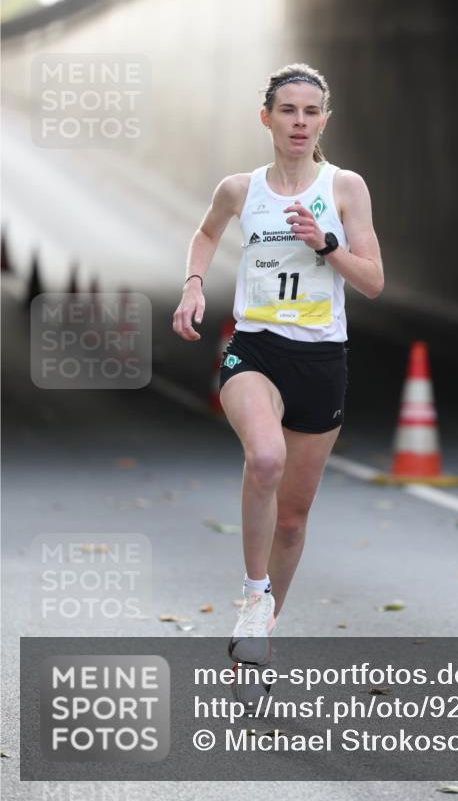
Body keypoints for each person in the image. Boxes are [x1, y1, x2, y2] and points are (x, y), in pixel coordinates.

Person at [172, 63, 384, 663]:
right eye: (287, 110)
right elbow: (207, 234)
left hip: (321, 359)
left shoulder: (346, 189)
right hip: (256, 348)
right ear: (266, 117)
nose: (299, 121)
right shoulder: (241, 189)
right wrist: (193, 285)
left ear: (324, 120)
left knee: (292, 519)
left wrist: (328, 244)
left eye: (310, 111)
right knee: (265, 458)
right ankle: (253, 591)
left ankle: (260, 629)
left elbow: (372, 282)